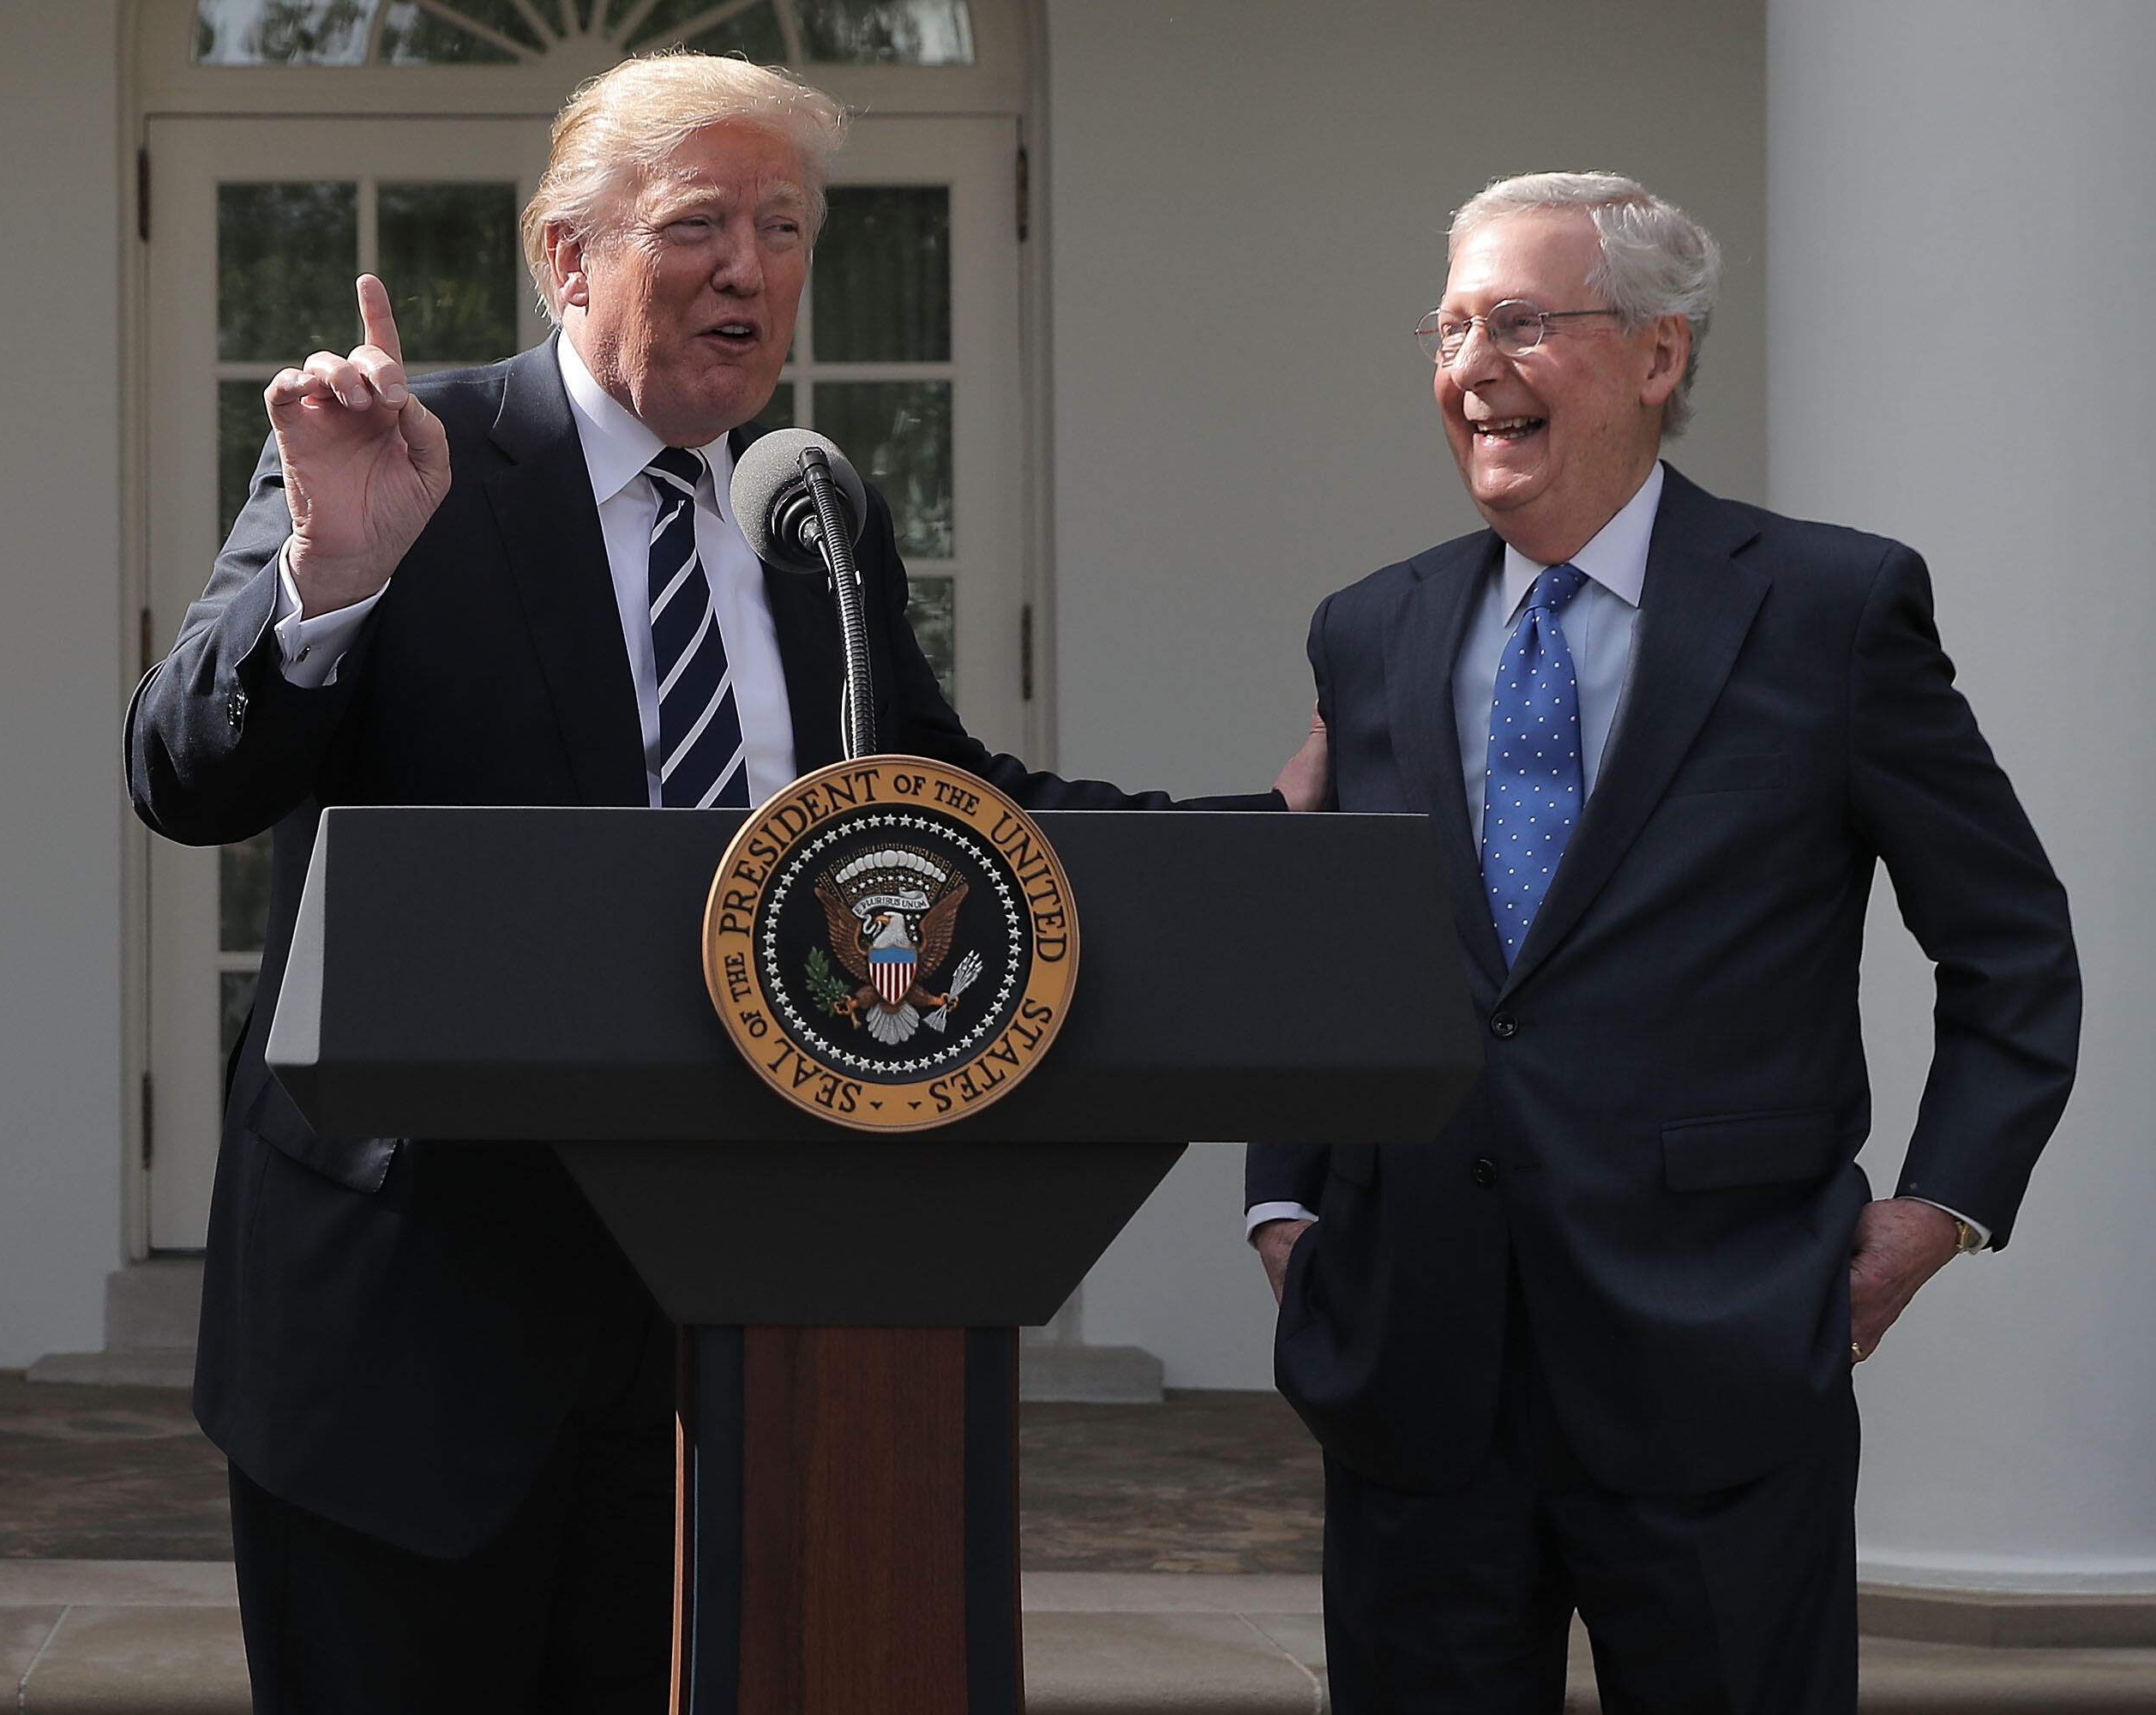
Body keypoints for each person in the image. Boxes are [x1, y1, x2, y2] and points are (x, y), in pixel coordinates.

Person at [128, 53, 1287, 1714]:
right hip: (410, 1344)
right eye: (698, 224)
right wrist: (328, 580)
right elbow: (184, 771)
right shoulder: (407, 457)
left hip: (736, 1338)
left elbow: (952, 806)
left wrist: (1265, 818)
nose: (751, 267)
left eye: (788, 226)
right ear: (564, 255)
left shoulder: (807, 512)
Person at [1247, 172, 2082, 1712]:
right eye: (1448, 327)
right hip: (1418, 1373)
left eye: (1518, 321)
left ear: (1657, 354)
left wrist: (1938, 1209)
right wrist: (1284, 1206)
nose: (1471, 364)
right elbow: (1324, 943)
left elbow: (2012, 945)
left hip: (1720, 1364)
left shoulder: (1833, 609)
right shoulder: (1369, 628)